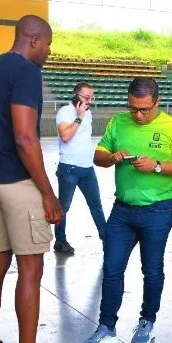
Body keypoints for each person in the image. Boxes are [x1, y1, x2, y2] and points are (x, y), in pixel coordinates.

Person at [0, 14, 71, 343]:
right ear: (34, 41)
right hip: (17, 183)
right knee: (31, 269)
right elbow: (25, 138)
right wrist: (48, 192)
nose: (48, 52)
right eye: (48, 45)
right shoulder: (27, 72)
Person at [79, 77, 172, 343]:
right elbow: (98, 156)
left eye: (145, 109)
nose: (139, 115)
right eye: (133, 108)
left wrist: (157, 166)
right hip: (122, 211)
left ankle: (147, 322)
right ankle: (106, 328)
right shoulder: (118, 122)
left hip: (157, 211)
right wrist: (113, 157)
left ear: (157, 102)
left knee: (151, 270)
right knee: (112, 268)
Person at [54, 82, 106, 254]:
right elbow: (65, 136)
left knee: (96, 205)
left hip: (87, 168)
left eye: (92, 97)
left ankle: (107, 239)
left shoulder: (88, 113)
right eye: (86, 97)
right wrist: (79, 116)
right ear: (76, 96)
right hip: (69, 167)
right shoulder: (65, 111)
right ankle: (60, 241)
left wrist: (83, 114)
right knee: (63, 207)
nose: (89, 101)